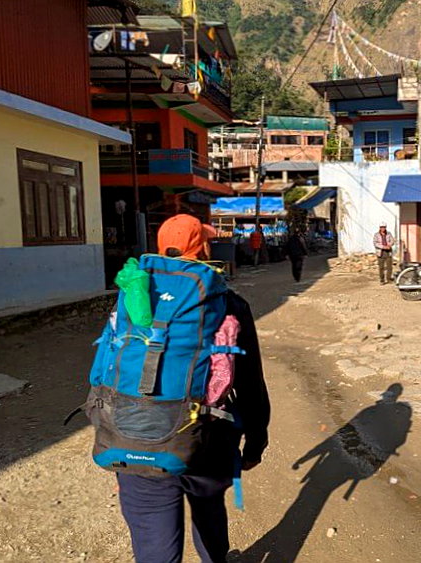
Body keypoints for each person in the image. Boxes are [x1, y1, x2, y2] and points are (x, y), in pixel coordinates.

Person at [116, 214, 271, 563]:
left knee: (153, 547)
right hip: (205, 437)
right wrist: (256, 441)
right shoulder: (227, 304)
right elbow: (248, 382)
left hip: (135, 434)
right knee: (208, 512)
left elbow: (113, 368)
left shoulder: (131, 294)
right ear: (202, 248)